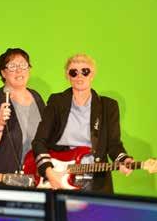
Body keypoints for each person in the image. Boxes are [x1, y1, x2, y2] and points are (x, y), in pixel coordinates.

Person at [31, 53, 133, 193]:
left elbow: (114, 144)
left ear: (92, 75)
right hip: (59, 177)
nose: (79, 76)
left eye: (85, 71)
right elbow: (39, 141)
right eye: (74, 72)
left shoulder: (108, 106)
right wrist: (48, 171)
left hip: (96, 180)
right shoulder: (57, 102)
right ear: (67, 76)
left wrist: (124, 159)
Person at [0, 48, 45, 174]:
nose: (19, 70)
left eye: (23, 65)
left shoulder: (36, 97)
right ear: (3, 73)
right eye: (12, 66)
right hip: (3, 177)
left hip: (35, 176)